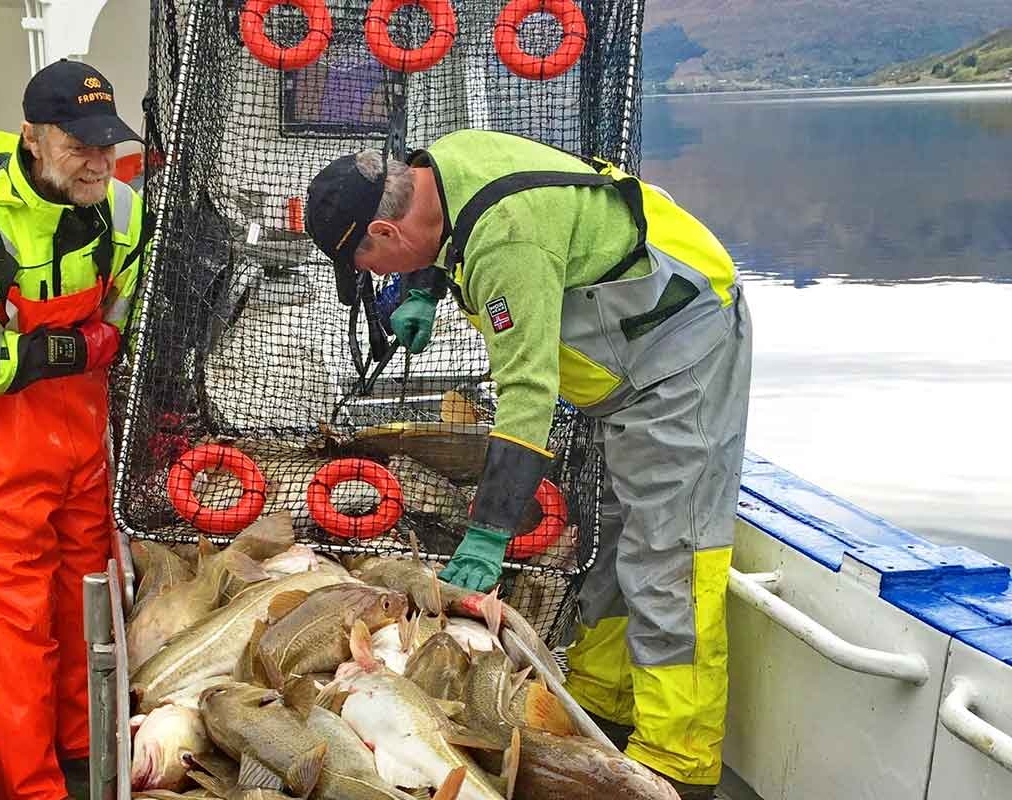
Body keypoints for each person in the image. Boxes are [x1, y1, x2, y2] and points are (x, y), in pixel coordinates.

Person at [305, 129, 751, 799]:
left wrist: (489, 531)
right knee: (611, 539)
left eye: (372, 263)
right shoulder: (436, 170)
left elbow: (527, 391)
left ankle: (676, 767)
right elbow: (440, 227)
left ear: (383, 229)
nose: (379, 278)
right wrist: (425, 287)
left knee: (668, 553)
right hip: (616, 368)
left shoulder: (506, 242)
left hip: (676, 348)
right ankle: (603, 708)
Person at [0, 59, 147, 800]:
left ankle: (83, 750)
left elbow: (126, 305)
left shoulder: (123, 209)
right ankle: (34, 786)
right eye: (78, 145)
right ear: (32, 139)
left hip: (82, 438)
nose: (98, 163)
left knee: (86, 601)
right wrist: (67, 349)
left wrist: (96, 342)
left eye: (106, 146)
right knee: (15, 623)